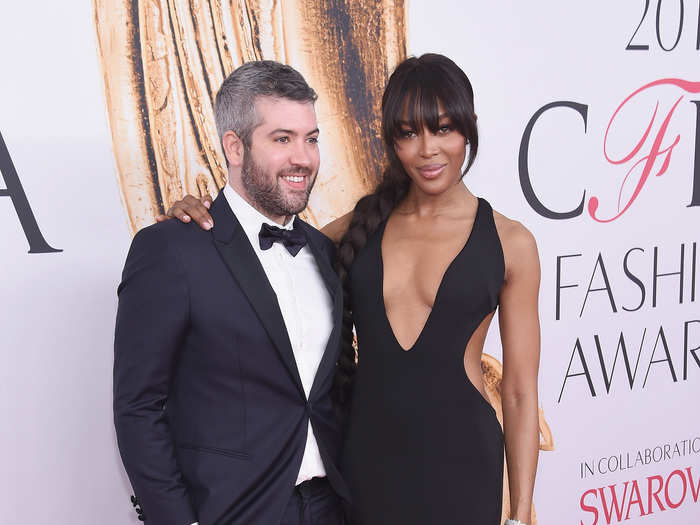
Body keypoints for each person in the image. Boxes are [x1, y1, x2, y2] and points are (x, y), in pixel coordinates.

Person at [166, 53, 540, 525]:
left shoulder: (512, 243)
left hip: (463, 463)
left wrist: (523, 508)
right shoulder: (358, 229)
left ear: (469, 128)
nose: (427, 150)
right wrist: (200, 215)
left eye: (443, 128)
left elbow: (522, 392)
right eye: (408, 133)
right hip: (367, 465)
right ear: (390, 142)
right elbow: (259, 253)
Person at [114, 61, 348, 525]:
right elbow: (137, 407)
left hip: (331, 509)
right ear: (235, 146)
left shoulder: (324, 253)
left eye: (311, 138)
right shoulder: (172, 250)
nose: (303, 158)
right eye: (282, 139)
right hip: (233, 512)